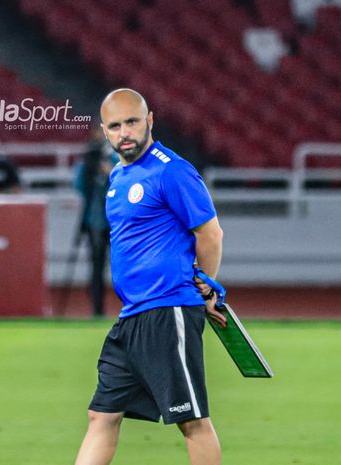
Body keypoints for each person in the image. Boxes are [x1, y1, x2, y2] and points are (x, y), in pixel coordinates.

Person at [74, 89, 225, 465]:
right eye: (115, 125)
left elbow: (210, 233)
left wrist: (204, 285)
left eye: (132, 122)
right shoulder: (119, 177)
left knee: (192, 421)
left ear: (150, 121)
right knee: (102, 414)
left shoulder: (171, 170)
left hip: (168, 309)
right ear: (104, 132)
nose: (124, 132)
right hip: (132, 317)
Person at [73, 127, 118, 317]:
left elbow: (128, 183)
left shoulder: (116, 160)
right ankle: (97, 309)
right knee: (96, 266)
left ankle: (130, 308)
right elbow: (80, 187)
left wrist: (111, 173)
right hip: (94, 221)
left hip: (116, 222)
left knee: (122, 266)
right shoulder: (87, 162)